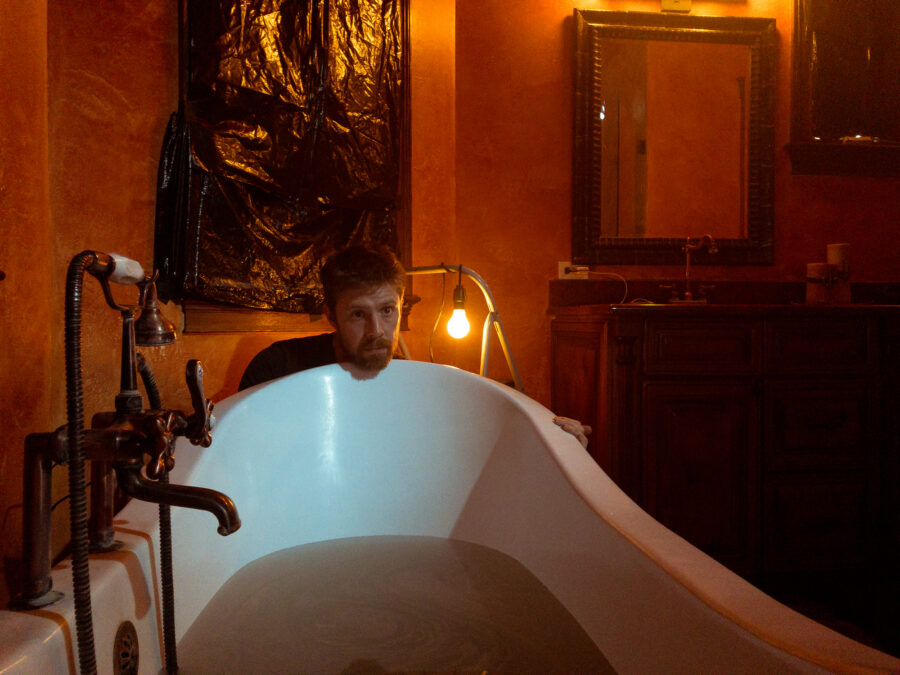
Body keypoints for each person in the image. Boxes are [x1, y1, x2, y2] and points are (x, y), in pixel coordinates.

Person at [238, 244, 591, 447]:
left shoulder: (416, 388)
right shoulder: (276, 368)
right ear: (331, 316)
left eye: (387, 311)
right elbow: (241, 456)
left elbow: (473, 447)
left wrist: (558, 444)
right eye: (358, 314)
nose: (377, 331)